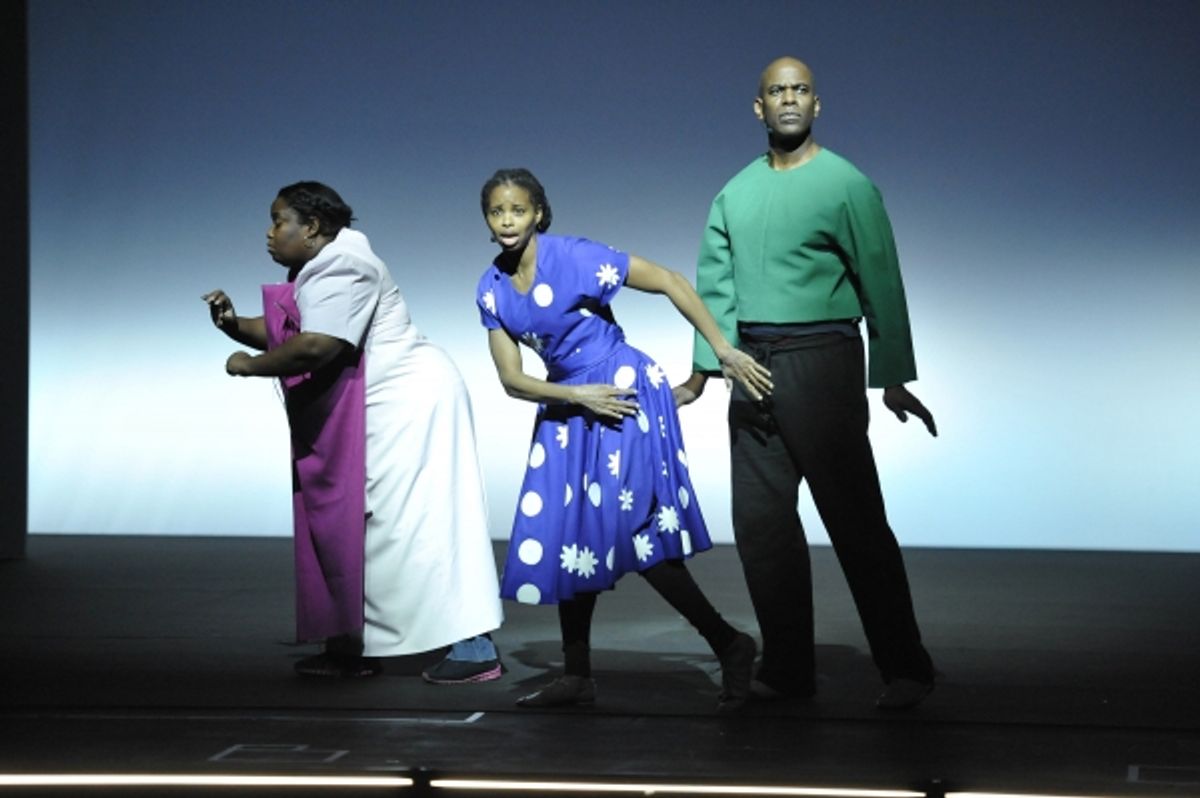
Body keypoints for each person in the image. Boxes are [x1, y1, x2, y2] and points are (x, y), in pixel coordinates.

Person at [677, 57, 939, 710]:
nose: (788, 99)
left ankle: (906, 668)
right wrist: (705, 370)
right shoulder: (734, 193)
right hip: (751, 364)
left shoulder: (847, 184)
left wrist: (892, 376)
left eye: (799, 90)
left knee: (855, 519)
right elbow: (716, 286)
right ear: (758, 107)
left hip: (822, 358)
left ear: (816, 104)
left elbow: (881, 278)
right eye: (777, 91)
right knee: (761, 525)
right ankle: (788, 669)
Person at [474, 168, 772, 711]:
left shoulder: (576, 258)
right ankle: (577, 675)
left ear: (538, 213)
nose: (507, 221)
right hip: (572, 401)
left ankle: (729, 643)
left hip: (622, 393)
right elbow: (512, 380)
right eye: (497, 212)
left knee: (631, 526)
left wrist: (721, 350)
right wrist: (575, 396)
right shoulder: (492, 289)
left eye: (518, 210)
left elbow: (671, 281)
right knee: (572, 532)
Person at [203, 181, 503, 683]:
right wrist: (234, 325)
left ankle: (475, 648)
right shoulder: (327, 263)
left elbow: (317, 345)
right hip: (380, 407)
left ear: (312, 227)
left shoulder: (344, 266)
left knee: (424, 525)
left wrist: (248, 365)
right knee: (363, 526)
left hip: (410, 405)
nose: (270, 233)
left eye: (279, 221)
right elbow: (294, 332)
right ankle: (351, 644)